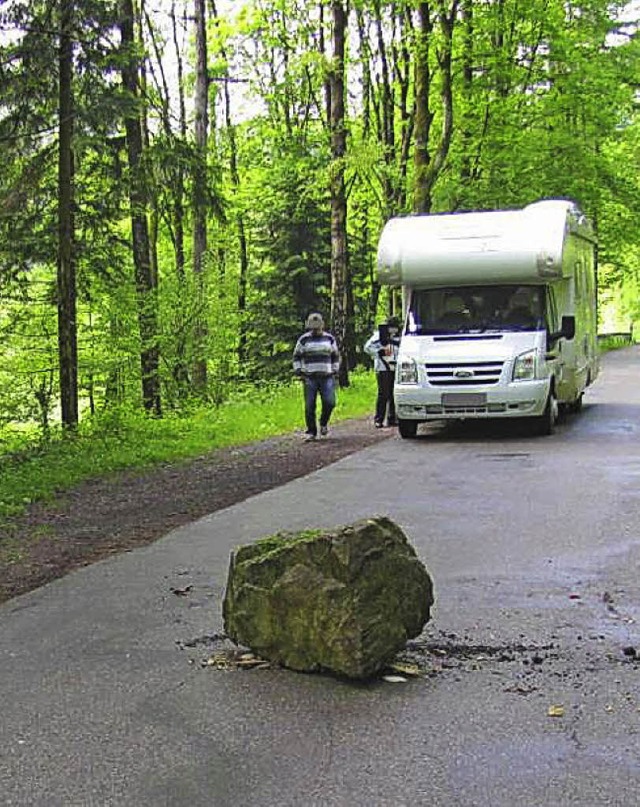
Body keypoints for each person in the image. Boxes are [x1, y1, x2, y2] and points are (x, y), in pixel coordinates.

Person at [292, 312, 340, 442]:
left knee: (330, 402)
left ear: (322, 325)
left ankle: (323, 422)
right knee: (309, 405)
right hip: (310, 377)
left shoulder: (329, 339)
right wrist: (298, 369)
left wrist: (335, 368)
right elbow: (296, 356)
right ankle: (311, 431)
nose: (315, 328)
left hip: (327, 376)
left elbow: (335, 355)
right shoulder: (304, 339)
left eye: (317, 326)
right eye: (313, 326)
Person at [364, 315, 401, 428]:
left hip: (396, 367)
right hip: (382, 368)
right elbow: (367, 347)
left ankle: (392, 418)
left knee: (393, 394)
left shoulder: (400, 337)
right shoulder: (379, 336)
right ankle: (379, 419)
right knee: (383, 394)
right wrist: (379, 352)